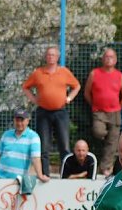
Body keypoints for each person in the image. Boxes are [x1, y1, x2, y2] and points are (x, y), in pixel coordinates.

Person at [22, 46, 81, 177]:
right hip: (43, 112)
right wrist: (33, 99)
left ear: (58, 57)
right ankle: (45, 174)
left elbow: (77, 86)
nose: (50, 57)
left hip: (60, 112)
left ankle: (65, 174)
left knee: (64, 145)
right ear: (45, 57)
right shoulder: (38, 73)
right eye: (48, 55)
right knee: (43, 146)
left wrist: (69, 98)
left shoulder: (64, 72)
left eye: (53, 55)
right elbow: (25, 87)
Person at [84, 48, 122, 176]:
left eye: (111, 57)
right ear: (102, 59)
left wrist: (118, 107)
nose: (109, 59)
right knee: (98, 132)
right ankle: (102, 145)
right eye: (106, 57)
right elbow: (87, 92)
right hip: (99, 112)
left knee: (113, 141)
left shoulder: (120, 76)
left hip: (115, 113)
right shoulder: (94, 73)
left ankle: (105, 167)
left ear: (115, 60)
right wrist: (94, 105)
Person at [0, 108, 50, 183]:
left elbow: (35, 158)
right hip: (0, 178)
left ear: (27, 121)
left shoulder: (33, 137)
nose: (19, 123)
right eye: (17, 120)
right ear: (14, 120)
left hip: (19, 181)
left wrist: (40, 175)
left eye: (22, 120)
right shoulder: (6, 134)